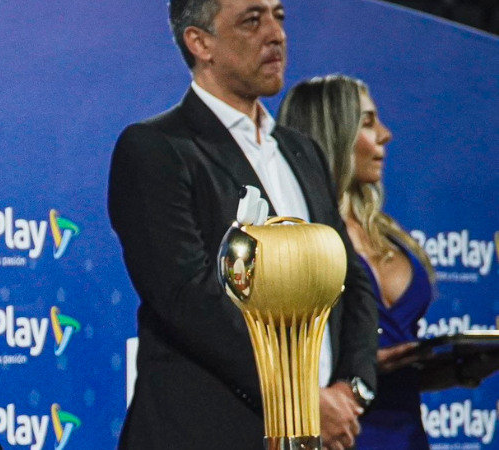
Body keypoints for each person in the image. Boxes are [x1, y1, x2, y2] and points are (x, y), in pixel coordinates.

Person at [107, 1, 379, 449]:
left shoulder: (302, 152)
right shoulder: (157, 149)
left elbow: (350, 276)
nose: (276, 34)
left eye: (279, 16)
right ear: (201, 43)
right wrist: (300, 402)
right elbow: (188, 298)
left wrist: (352, 388)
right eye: (252, 20)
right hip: (207, 432)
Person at [279, 74, 499, 450]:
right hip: (333, 437)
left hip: (406, 436)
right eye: (367, 122)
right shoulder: (290, 235)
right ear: (333, 133)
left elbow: (402, 369)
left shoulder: (389, 233)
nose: (385, 134)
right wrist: (358, 368)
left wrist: (466, 367)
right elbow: (269, 369)